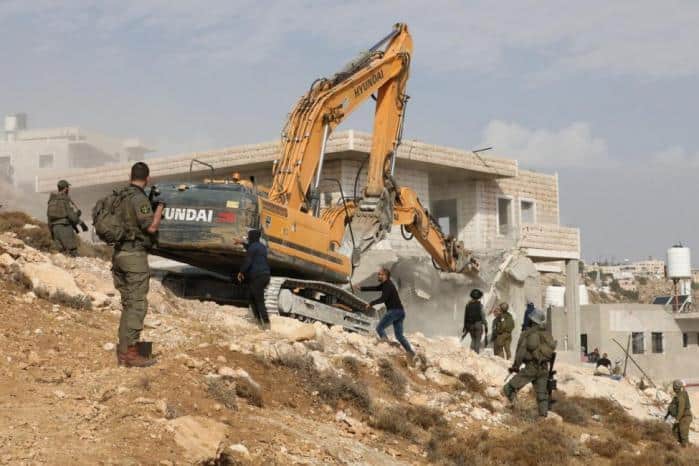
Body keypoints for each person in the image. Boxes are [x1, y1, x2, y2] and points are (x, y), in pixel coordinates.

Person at [113, 162, 164, 368]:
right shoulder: (139, 198)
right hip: (134, 256)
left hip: (118, 255)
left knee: (128, 304)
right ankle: (132, 354)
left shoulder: (120, 196)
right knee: (137, 305)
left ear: (130, 176)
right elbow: (151, 227)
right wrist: (160, 208)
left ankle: (123, 352)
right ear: (148, 179)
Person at [502, 307, 557, 417]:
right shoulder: (547, 334)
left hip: (530, 368)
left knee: (508, 388)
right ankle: (543, 418)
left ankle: (516, 409)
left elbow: (520, 353)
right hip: (544, 369)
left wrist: (516, 366)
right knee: (542, 396)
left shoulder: (526, 334)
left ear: (531, 320)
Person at [360, 267, 415, 357]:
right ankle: (411, 353)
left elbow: (383, 299)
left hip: (394, 311)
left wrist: (371, 303)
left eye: (380, 274)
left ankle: (386, 345)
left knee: (379, 328)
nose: (378, 276)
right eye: (378, 274)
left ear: (385, 276)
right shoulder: (386, 284)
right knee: (399, 336)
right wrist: (362, 288)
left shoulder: (388, 286)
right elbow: (376, 288)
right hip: (400, 312)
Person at [237, 229, 271, 328]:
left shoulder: (252, 248)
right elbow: (252, 248)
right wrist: (242, 243)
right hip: (265, 275)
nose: (248, 239)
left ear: (251, 237)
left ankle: (266, 323)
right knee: (251, 297)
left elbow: (248, 261)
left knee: (259, 300)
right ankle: (258, 320)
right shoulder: (262, 247)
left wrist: (241, 272)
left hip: (258, 276)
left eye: (249, 237)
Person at [46, 180, 81, 256]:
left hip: (55, 229)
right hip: (65, 228)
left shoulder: (51, 200)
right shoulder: (64, 199)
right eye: (68, 187)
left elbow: (48, 218)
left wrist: (52, 232)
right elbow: (72, 217)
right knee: (73, 253)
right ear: (65, 188)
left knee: (61, 254)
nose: (68, 189)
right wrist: (77, 215)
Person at [666, 379, 693, 447]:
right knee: (675, 433)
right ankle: (678, 447)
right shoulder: (679, 395)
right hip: (681, 417)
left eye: (674, 387)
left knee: (683, 434)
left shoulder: (681, 396)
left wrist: (677, 419)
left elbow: (681, 409)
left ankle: (687, 449)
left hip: (685, 417)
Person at [463, 289, 487, 353]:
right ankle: (476, 354)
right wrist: (485, 324)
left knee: (473, 339)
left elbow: (466, 316)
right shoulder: (480, 305)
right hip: (478, 324)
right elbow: (483, 315)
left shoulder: (468, 305)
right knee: (477, 340)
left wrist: (465, 326)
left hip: (470, 325)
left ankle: (471, 353)